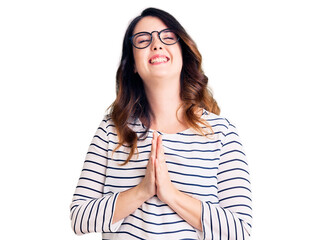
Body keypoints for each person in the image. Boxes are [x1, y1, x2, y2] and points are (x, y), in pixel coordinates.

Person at [69, 7, 252, 239]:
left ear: (183, 53)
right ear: (133, 64)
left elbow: (240, 230)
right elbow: (79, 218)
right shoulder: (111, 130)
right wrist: (142, 191)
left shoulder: (222, 133)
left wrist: (170, 194)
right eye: (143, 40)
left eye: (167, 37)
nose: (156, 45)